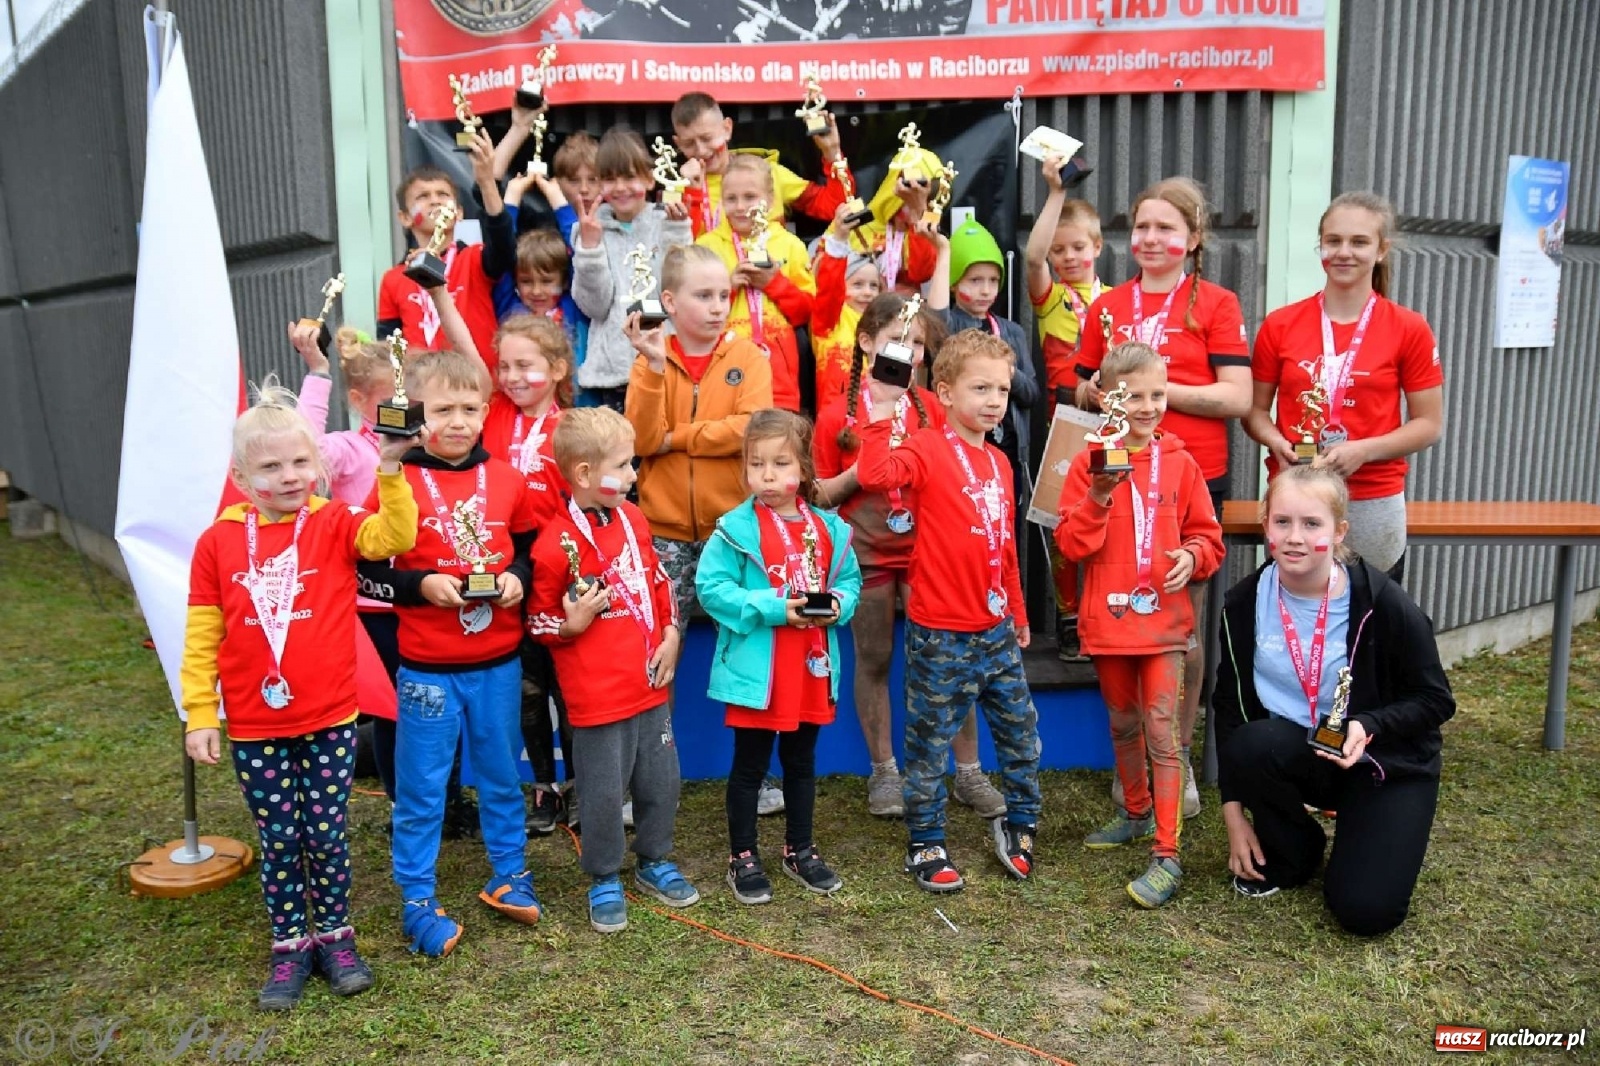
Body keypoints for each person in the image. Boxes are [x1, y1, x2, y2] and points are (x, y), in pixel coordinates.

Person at [180, 380, 417, 1010]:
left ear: (317, 464)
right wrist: (201, 713)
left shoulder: (335, 522)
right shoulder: (217, 543)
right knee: (280, 836)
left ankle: (337, 939)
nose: (289, 476)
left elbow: (394, 536)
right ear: (238, 475)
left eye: (300, 462)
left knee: (327, 832)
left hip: (331, 717)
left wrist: (390, 468)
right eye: (270, 465)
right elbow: (202, 636)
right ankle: (290, 944)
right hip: (256, 724)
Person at [1074, 176, 1252, 817]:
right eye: (1141, 227)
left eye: (1166, 229)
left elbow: (1237, 398)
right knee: (1123, 610)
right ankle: (1134, 772)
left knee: (1182, 626)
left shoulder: (1217, 304)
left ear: (1193, 238)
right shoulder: (1106, 306)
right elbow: (1078, 389)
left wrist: (1149, 394)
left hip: (1189, 477)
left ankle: (1173, 752)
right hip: (1117, 477)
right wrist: (1102, 396)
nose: (1150, 239)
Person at [1214, 465, 1455, 936]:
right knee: (1252, 741)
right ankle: (1294, 852)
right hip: (1302, 751)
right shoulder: (1244, 603)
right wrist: (1234, 815)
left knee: (1365, 913)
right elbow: (1228, 708)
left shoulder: (1383, 603)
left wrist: (1368, 724)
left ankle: (1364, 833)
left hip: (1383, 764)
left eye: (1312, 524)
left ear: (1339, 530)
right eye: (1282, 522)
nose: (1295, 537)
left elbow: (1434, 700)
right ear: (1265, 525)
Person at [356, 349, 540, 957]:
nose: (457, 421)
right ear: (415, 413)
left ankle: (510, 874)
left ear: (486, 412)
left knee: (500, 776)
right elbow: (363, 571)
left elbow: (532, 548)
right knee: (422, 786)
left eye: (468, 409)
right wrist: (417, 586)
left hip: (498, 665)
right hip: (428, 670)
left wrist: (517, 575)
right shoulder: (395, 480)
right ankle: (416, 896)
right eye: (442, 410)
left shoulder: (510, 479)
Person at [857, 329, 1042, 893]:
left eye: (1002, 391)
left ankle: (1021, 822)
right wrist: (882, 408)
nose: (993, 400)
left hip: (997, 631)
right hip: (941, 634)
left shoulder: (1001, 463)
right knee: (929, 742)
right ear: (944, 391)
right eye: (979, 387)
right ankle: (926, 839)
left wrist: (1018, 609)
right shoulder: (926, 446)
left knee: (1020, 733)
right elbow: (873, 475)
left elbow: (1004, 543)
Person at [813, 294, 1003, 820]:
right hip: (867, 553)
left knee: (947, 660)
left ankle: (966, 771)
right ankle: (885, 772)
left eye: (917, 342)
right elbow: (817, 495)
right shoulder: (838, 413)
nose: (909, 351)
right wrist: (864, 471)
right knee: (873, 659)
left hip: (930, 553)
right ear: (867, 342)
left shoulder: (937, 410)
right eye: (898, 340)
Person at [1057, 342, 1225, 908]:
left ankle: (1167, 852)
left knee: (1162, 731)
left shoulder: (1182, 462)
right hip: (1110, 620)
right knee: (1124, 722)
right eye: (1136, 396)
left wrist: (1194, 556)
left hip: (1164, 625)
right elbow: (1072, 544)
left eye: (1159, 394)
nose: (1150, 406)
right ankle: (1133, 811)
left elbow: (1209, 536)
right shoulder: (1089, 461)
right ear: (1107, 398)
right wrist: (1101, 495)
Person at [527, 406, 698, 933]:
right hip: (598, 698)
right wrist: (569, 625)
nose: (632, 476)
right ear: (583, 474)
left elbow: (658, 583)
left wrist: (670, 634)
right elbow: (537, 621)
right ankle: (603, 873)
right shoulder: (554, 544)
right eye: (623, 466)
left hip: (651, 684)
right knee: (602, 793)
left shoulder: (635, 520)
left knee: (661, 783)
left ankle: (654, 859)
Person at [697, 410, 863, 904]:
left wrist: (838, 605)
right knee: (750, 766)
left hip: (812, 666)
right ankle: (742, 855)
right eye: (756, 464)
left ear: (804, 469)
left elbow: (850, 583)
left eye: (780, 464)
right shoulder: (734, 529)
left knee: (801, 763)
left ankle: (800, 849)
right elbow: (711, 589)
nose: (767, 476)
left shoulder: (830, 528)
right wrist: (772, 607)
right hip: (759, 674)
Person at [1245, 191, 1444, 577]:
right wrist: (1275, 441)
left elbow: (1429, 425)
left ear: (1381, 250)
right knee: (1294, 622)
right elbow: (1254, 413)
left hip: (1372, 498)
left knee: (1370, 626)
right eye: (1333, 240)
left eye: (1359, 242)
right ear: (1321, 246)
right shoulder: (1281, 324)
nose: (1344, 252)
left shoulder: (1408, 327)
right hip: (1296, 494)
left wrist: (1364, 451)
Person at [623, 244, 774, 630]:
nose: (718, 307)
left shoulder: (748, 357)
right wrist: (655, 366)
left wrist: (675, 439)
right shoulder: (649, 360)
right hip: (663, 532)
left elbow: (751, 430)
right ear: (669, 302)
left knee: (740, 643)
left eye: (724, 295)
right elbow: (640, 442)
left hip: (732, 527)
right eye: (704, 296)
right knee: (663, 644)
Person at [479, 314, 576, 834]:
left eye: (525, 365)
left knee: (568, 688)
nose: (512, 376)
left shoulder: (571, 429)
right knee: (528, 689)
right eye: (504, 366)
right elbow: (466, 360)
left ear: (558, 368)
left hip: (557, 577)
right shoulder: (494, 413)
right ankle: (543, 786)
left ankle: (582, 783)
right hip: (505, 576)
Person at [1024, 155, 1105, 660]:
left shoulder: (1120, 299)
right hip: (1065, 420)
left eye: (1078, 247)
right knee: (1063, 519)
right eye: (1060, 251)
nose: (1068, 257)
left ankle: (1103, 613)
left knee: (1108, 516)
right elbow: (1031, 261)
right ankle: (1070, 615)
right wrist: (1055, 194)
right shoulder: (1052, 299)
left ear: (1097, 246)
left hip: (1114, 420)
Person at [571, 128, 694, 412]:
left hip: (667, 362)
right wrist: (590, 249)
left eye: (629, 177)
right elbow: (595, 307)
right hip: (613, 374)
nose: (620, 187)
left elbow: (679, 291)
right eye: (610, 179)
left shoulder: (667, 220)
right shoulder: (589, 229)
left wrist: (677, 234)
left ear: (650, 179)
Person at [375, 137, 514, 371]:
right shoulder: (393, 278)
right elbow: (388, 346)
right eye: (423, 197)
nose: (435, 201)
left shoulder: (474, 258)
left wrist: (487, 182)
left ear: (459, 213)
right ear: (405, 218)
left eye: (443, 194)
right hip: (421, 392)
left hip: (478, 388)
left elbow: (504, 246)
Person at [695, 153, 815, 412]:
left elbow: (806, 312)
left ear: (770, 200)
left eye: (750, 197)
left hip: (778, 378)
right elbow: (691, 314)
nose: (740, 207)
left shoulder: (790, 245)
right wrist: (728, 289)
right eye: (731, 198)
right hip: (722, 369)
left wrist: (774, 283)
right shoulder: (706, 247)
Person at [931, 219, 1039, 501]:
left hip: (1009, 450)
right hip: (959, 446)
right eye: (975, 280)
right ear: (954, 283)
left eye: (993, 281)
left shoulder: (1011, 331)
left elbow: (1031, 393)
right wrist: (943, 254)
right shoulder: (951, 323)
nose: (986, 290)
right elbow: (935, 321)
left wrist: (1004, 373)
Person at [671, 90, 845, 236]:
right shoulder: (676, 191)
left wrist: (832, 152)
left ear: (727, 129)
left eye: (707, 138)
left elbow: (834, 207)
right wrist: (693, 194)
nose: (701, 150)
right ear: (678, 144)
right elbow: (677, 250)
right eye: (689, 144)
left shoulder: (769, 173)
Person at [810, 204, 883, 411]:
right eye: (857, 285)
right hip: (836, 421)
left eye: (873, 286)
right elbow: (829, 289)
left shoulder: (886, 324)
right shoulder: (830, 320)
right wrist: (840, 239)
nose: (867, 292)